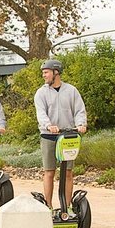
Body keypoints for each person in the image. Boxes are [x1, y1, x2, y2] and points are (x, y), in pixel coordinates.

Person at [34, 59, 87, 214]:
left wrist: (81, 124)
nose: (44, 76)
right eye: (43, 73)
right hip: (49, 135)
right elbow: (41, 113)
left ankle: (68, 207)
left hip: (67, 136)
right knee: (49, 172)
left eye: (46, 72)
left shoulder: (71, 91)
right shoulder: (41, 93)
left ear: (56, 72)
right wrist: (48, 125)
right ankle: (48, 207)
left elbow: (79, 110)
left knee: (68, 172)